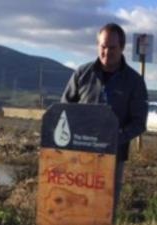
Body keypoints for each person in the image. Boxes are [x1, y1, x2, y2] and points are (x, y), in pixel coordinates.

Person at [61, 22, 148, 210]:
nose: (107, 52)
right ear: (97, 45)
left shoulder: (134, 82)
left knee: (104, 211)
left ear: (123, 48)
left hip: (113, 158)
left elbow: (139, 123)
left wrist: (115, 138)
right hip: (79, 157)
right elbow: (64, 111)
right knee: (75, 206)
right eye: (103, 47)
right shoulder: (82, 74)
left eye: (112, 48)